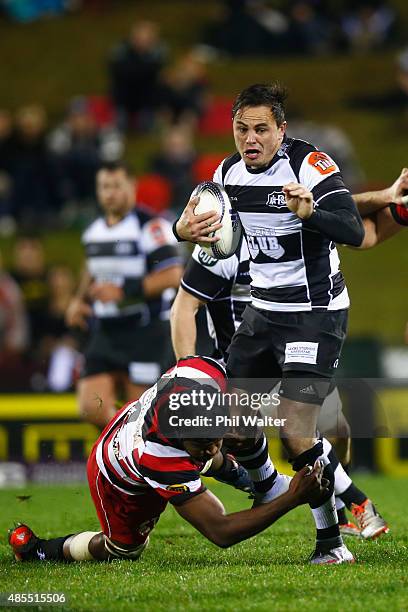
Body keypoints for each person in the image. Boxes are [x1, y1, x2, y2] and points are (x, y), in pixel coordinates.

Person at [172, 82, 366, 563]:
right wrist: (183, 229)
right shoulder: (225, 173)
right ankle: (301, 490)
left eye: (261, 128)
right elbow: (210, 235)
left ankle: (331, 541)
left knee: (297, 430)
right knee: (232, 424)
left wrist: (311, 211)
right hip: (262, 313)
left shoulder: (310, 164)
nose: (250, 138)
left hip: (313, 313)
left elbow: (355, 231)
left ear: (282, 129)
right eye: (241, 129)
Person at [9, 356, 328, 563]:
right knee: (123, 551)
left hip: (139, 426)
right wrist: (291, 498)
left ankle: (263, 485)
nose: (210, 446)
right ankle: (40, 550)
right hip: (118, 477)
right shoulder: (159, 455)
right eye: (200, 442)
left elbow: (236, 391)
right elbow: (221, 532)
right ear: (178, 436)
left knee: (238, 431)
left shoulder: (200, 372)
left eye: (213, 436)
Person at [65, 162, 183, 428]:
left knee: (140, 416)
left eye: (116, 186)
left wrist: (123, 291)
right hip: (106, 331)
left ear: (131, 187)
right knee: (90, 407)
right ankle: (123, 450)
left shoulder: (150, 227)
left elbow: (172, 275)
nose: (110, 193)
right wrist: (79, 300)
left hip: (145, 332)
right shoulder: (94, 231)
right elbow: (92, 269)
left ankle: (137, 461)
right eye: (104, 187)